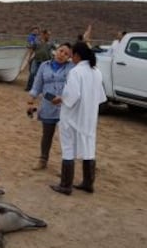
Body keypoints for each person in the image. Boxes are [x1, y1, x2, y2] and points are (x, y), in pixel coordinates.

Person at [50, 42, 107, 195]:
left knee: (68, 149)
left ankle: (66, 185)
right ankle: (88, 183)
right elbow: (101, 97)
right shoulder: (97, 72)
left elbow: (72, 96)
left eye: (72, 55)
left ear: (77, 55)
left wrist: (60, 99)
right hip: (89, 118)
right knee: (89, 148)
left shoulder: (76, 72)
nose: (70, 58)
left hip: (73, 117)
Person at [27, 43, 74, 170]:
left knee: (66, 138)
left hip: (65, 108)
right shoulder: (44, 66)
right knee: (47, 134)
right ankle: (43, 160)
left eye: (66, 54)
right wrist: (30, 102)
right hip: (48, 106)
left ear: (69, 57)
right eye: (61, 51)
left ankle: (66, 166)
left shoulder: (72, 68)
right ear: (55, 51)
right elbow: (37, 86)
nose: (62, 55)